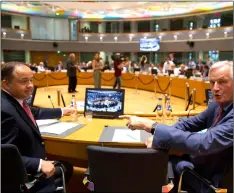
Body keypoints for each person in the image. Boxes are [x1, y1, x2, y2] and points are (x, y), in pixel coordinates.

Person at [120, 61, 233, 193]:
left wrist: (150, 125)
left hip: (210, 180)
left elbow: (202, 143)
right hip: (199, 163)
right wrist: (162, 136)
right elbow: (190, 123)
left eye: (222, 82)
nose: (215, 88)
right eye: (212, 82)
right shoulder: (217, 104)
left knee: (153, 164)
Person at [1, 62, 76, 192]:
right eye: (24, 81)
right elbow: (3, 155)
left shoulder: (12, 101)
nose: (30, 85)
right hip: (26, 178)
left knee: (66, 166)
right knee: (67, 168)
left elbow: (34, 112)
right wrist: (39, 164)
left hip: (30, 160)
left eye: (31, 80)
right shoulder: (5, 111)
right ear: (6, 84)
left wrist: (62, 111)